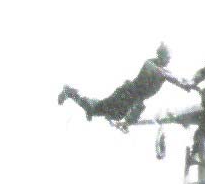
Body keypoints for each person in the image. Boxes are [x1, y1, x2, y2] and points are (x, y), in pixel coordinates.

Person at [58, 43, 192, 129]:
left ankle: (79, 98)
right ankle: (70, 92)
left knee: (104, 111)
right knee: (97, 110)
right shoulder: (153, 66)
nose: (169, 60)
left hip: (128, 95)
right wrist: (187, 86)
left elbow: (173, 76)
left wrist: (188, 83)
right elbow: (172, 77)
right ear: (161, 56)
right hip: (126, 95)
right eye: (168, 57)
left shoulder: (156, 65)